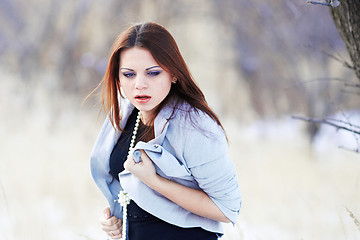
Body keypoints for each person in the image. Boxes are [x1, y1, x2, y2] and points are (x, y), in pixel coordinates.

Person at [90, 22, 241, 240]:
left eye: (152, 73)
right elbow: (129, 189)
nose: (140, 84)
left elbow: (227, 209)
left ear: (174, 74)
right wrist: (116, 217)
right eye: (129, 74)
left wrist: (155, 181)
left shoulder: (194, 125)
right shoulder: (126, 112)